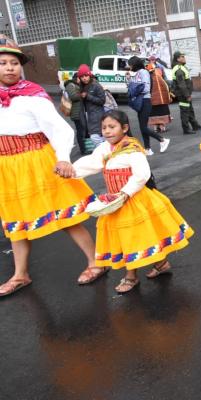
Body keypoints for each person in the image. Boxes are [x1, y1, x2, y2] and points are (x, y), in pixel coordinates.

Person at [0, 36, 108, 296]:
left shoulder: (33, 94)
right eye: (3, 63)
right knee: (15, 223)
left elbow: (59, 129)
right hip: (7, 167)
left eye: (14, 62)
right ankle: (20, 274)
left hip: (39, 161)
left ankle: (96, 262)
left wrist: (62, 157)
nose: (9, 67)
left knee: (66, 216)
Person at [72, 110, 194, 292]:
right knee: (137, 238)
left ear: (125, 128)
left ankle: (131, 276)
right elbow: (92, 162)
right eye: (104, 127)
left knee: (132, 239)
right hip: (115, 201)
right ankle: (161, 264)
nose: (107, 131)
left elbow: (142, 175)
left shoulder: (132, 149)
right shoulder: (105, 148)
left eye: (112, 127)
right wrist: (70, 170)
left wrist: (125, 193)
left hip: (134, 199)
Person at [126, 56, 170, 155]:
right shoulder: (138, 73)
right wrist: (129, 80)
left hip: (145, 100)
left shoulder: (143, 72)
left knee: (143, 127)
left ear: (134, 64)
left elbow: (145, 88)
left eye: (130, 64)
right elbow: (133, 87)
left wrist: (135, 90)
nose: (129, 66)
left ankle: (162, 140)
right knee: (143, 126)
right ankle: (147, 149)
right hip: (142, 101)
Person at [172, 51, 201, 135]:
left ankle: (195, 125)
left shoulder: (182, 67)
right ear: (178, 59)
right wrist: (187, 95)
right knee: (185, 111)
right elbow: (181, 84)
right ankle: (186, 129)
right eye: (182, 56)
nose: (184, 58)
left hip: (185, 94)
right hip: (183, 94)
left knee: (190, 110)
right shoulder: (179, 69)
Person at [77, 64, 105, 147]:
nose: (84, 78)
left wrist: (88, 96)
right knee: (98, 136)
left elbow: (102, 100)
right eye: (82, 77)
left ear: (89, 75)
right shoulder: (82, 86)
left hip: (97, 115)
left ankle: (104, 151)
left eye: (86, 75)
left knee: (94, 137)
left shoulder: (96, 85)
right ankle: (104, 151)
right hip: (88, 115)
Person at [64, 72, 90, 155]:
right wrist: (81, 94)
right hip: (76, 113)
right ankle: (83, 149)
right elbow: (73, 96)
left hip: (80, 111)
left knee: (84, 130)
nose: (83, 79)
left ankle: (87, 147)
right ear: (77, 78)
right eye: (81, 77)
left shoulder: (76, 85)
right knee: (80, 131)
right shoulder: (70, 85)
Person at [146, 57, 172, 134]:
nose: (151, 61)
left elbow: (164, 78)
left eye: (153, 60)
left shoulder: (159, 68)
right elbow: (164, 85)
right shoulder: (149, 70)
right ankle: (158, 127)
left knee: (158, 110)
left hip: (157, 96)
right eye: (150, 60)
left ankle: (159, 127)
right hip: (157, 96)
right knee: (158, 111)